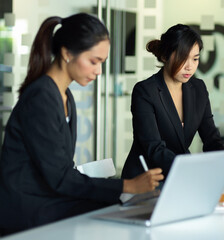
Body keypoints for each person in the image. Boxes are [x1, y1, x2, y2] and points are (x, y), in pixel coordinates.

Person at [0, 13, 163, 235]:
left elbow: (63, 172)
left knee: (129, 210)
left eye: (102, 63)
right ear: (67, 53)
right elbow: (61, 178)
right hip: (28, 209)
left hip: (49, 199)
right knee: (117, 215)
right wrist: (128, 186)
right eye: (94, 61)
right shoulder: (41, 98)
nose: (98, 71)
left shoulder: (64, 96)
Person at [121, 24, 224, 179]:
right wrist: (190, 169)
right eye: (183, 58)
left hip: (182, 175)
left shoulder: (199, 89)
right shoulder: (145, 91)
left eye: (195, 59)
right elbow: (154, 148)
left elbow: (211, 140)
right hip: (147, 180)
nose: (190, 67)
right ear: (165, 56)